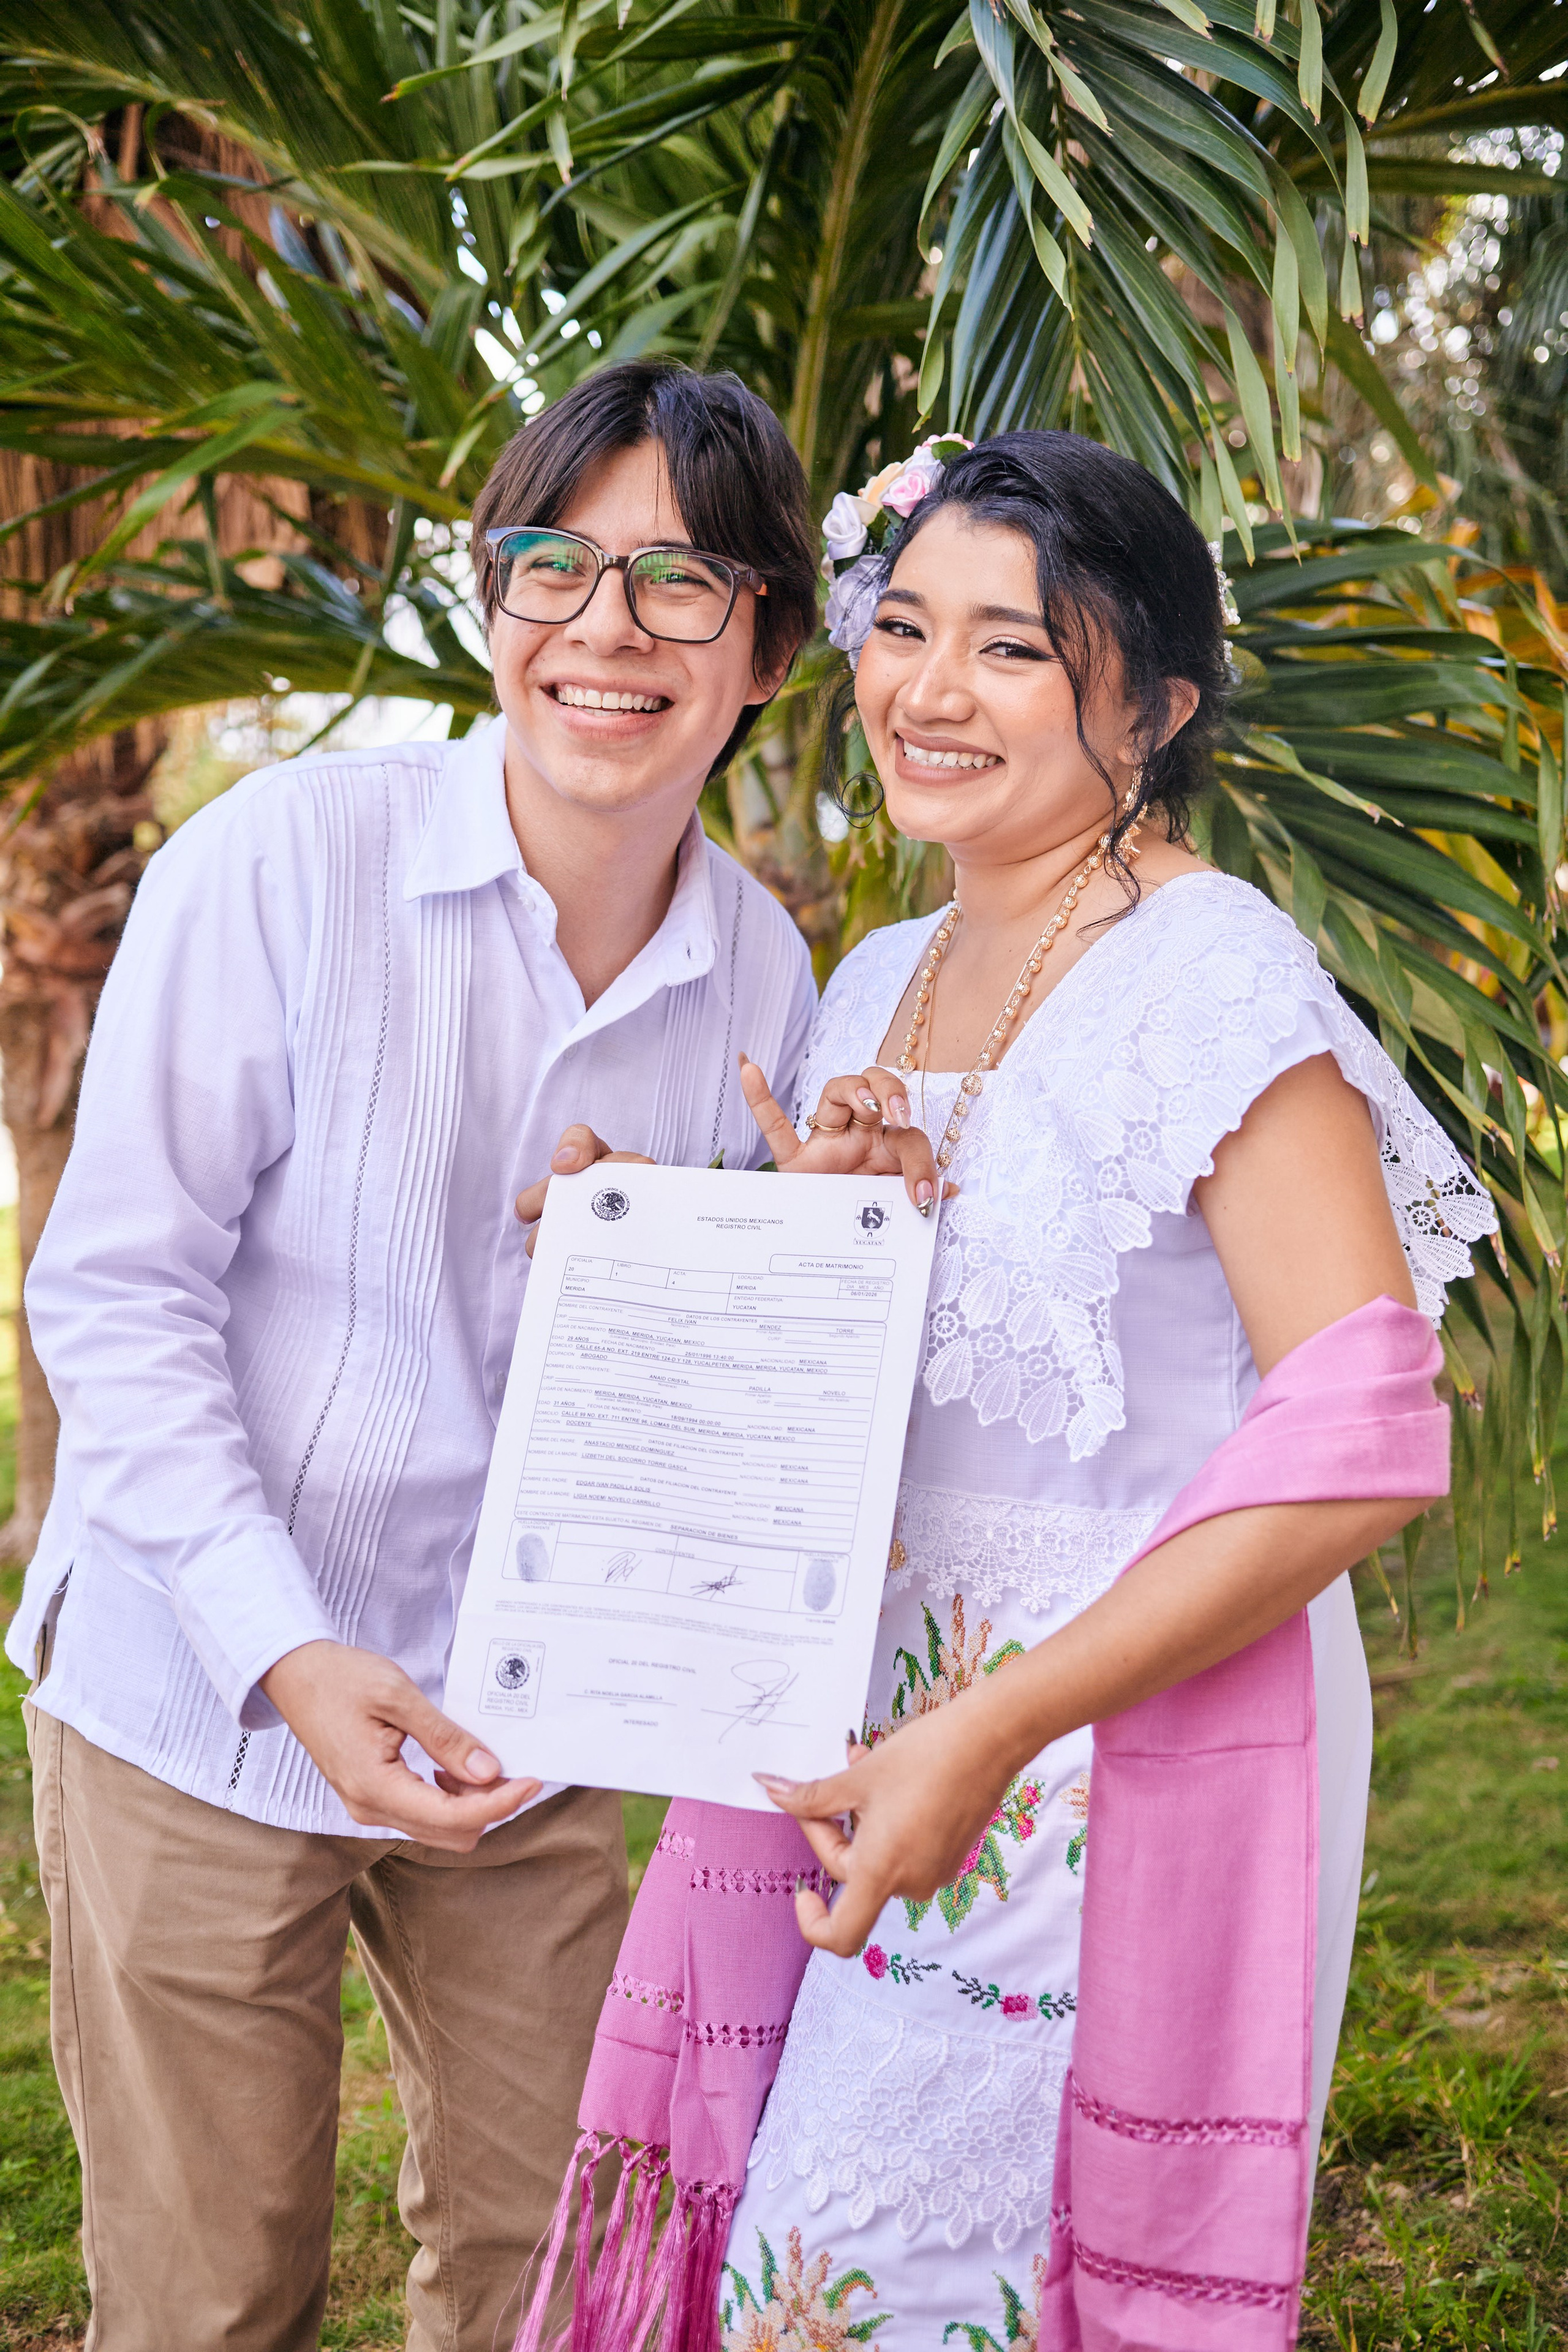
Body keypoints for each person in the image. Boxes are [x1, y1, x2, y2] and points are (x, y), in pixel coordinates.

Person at [7, 358, 819, 2352]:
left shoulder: (767, 982)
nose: (606, 634)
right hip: (195, 1700)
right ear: (492, 598)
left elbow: (743, 1412)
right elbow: (118, 1294)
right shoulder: (277, 864)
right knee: (209, 2296)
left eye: (681, 585)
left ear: (770, 651)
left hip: (535, 1730)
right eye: (559, 566)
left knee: (553, 2277)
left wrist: (755, 1249)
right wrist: (285, 1644)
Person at [720, 429, 1494, 2347]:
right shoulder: (878, 968)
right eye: (901, 629)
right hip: (888, 1723)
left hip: (1109, 1749)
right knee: (816, 2281)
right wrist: (823, 1244)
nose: (929, 690)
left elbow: (1366, 1431)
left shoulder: (1214, 973)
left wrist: (997, 1732)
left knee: (936, 2278)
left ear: (1147, 705)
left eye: (1011, 648)